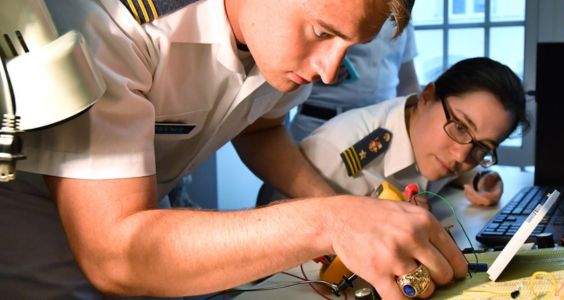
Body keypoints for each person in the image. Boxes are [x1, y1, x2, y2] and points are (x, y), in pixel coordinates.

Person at [0, 0, 467, 299]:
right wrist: (332, 222)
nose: (329, 71)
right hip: (39, 253)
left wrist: (347, 211)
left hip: (150, 231)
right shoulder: (113, 23)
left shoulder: (282, 49)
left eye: (350, 44)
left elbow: (260, 130)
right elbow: (113, 255)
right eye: (323, 33)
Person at [300, 57, 529, 207]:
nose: (461, 156)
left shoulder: (428, 137)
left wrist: (481, 179)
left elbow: (460, 168)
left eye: (482, 148)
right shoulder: (336, 154)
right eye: (460, 127)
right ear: (427, 96)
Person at [288, 18, 420, 142]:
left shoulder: (402, 10)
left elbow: (408, 81)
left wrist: (415, 127)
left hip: (382, 130)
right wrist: (317, 70)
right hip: (318, 123)